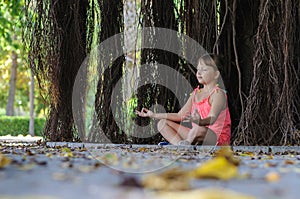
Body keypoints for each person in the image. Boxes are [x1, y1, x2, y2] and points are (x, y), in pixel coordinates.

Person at [136, 54, 231, 146]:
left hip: (216, 138)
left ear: (216, 74)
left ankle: (186, 143)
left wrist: (200, 121)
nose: (199, 72)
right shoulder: (195, 94)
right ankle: (181, 145)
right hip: (194, 134)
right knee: (162, 123)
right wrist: (153, 115)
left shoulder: (218, 94)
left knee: (197, 130)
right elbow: (180, 115)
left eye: (204, 69)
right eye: (198, 69)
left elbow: (212, 118)